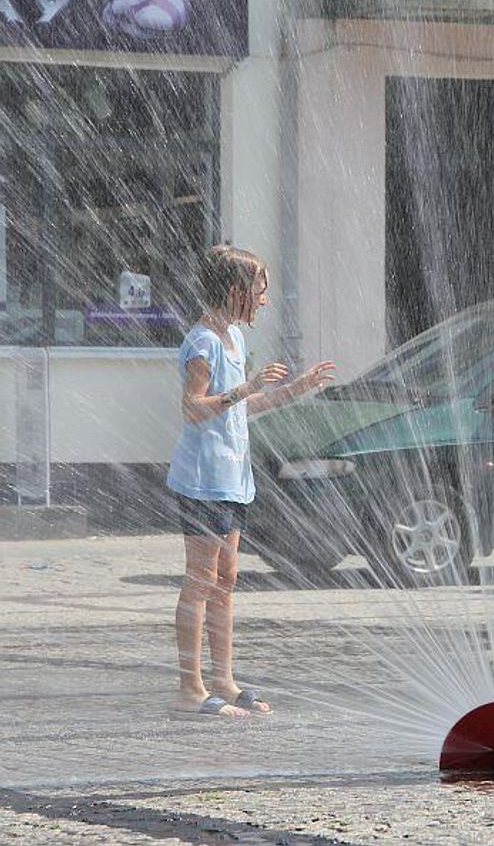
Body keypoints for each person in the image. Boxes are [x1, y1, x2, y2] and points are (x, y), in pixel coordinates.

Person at [168, 245, 336, 717]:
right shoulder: (202, 342)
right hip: (201, 479)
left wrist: (296, 388)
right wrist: (247, 386)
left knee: (226, 579)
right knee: (200, 579)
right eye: (260, 290)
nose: (265, 300)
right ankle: (190, 689)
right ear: (237, 291)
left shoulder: (234, 340)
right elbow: (193, 408)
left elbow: (242, 409)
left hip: (232, 478)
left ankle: (222, 678)